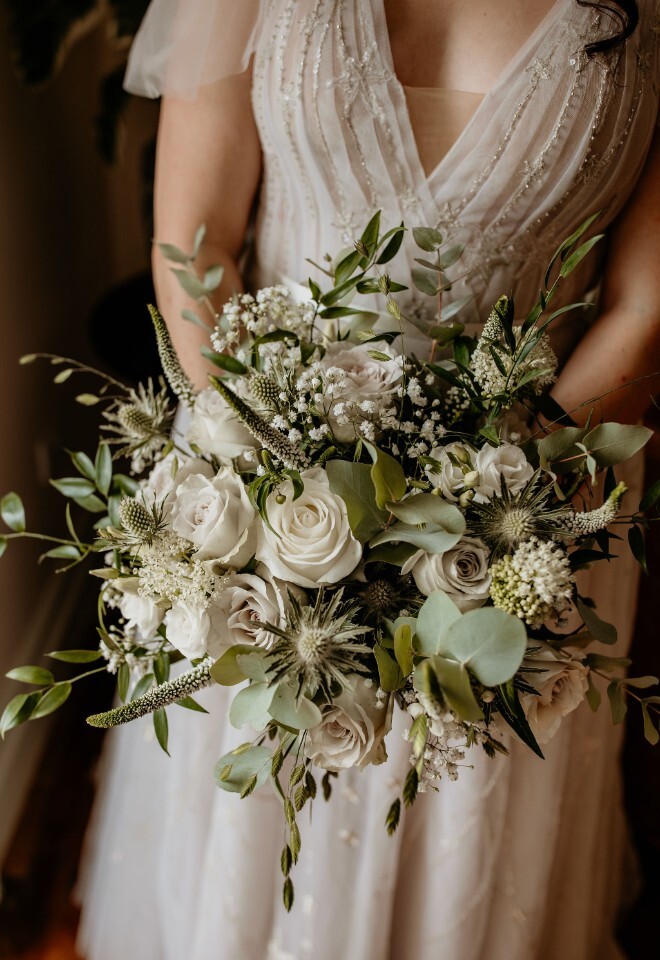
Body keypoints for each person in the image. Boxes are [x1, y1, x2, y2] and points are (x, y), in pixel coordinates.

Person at [76, 2, 660, 958]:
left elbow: (644, 305)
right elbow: (200, 244)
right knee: (253, 819)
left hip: (525, 518)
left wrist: (498, 514)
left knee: (459, 842)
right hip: (255, 489)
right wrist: (268, 485)